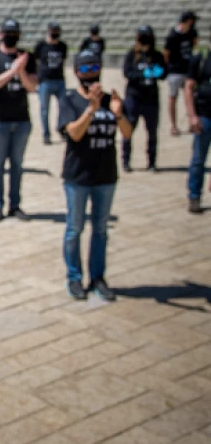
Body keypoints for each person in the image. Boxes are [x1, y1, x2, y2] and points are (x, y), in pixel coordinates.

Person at [57, 50, 131, 301]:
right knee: (74, 229)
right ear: (77, 72)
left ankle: (98, 276)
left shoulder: (112, 99)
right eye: (85, 69)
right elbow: (74, 134)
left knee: (100, 230)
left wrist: (118, 113)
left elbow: (128, 132)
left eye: (94, 68)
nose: (91, 74)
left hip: (106, 175)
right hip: (78, 177)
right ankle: (74, 278)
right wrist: (91, 109)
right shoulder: (69, 100)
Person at [0, 18, 38, 223]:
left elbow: (32, 86)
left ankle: (15, 205)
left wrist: (21, 70)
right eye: (7, 32)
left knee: (17, 165)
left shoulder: (26, 57)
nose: (10, 36)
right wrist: (12, 71)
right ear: (0, 34)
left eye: (14, 33)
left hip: (21, 120)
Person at [122, 25, 166, 172]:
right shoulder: (132, 55)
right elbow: (127, 73)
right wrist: (145, 74)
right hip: (134, 98)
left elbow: (163, 73)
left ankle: (152, 162)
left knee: (152, 132)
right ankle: (126, 161)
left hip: (151, 99)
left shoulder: (156, 55)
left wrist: (155, 71)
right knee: (128, 129)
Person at [184, 30, 211, 214]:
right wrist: (192, 116)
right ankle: (194, 196)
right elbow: (188, 87)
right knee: (198, 159)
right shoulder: (200, 59)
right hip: (204, 116)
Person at [164, 11, 199, 136]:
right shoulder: (173, 35)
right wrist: (170, 67)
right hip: (175, 71)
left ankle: (192, 122)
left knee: (191, 96)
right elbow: (166, 54)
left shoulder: (192, 33)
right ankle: (173, 125)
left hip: (188, 70)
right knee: (173, 97)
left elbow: (195, 44)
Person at [34, 21, 69, 145]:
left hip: (59, 80)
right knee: (44, 109)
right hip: (45, 81)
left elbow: (63, 61)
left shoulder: (62, 46)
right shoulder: (41, 45)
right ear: (48, 31)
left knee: (64, 107)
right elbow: (36, 61)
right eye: (53, 31)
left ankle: (61, 129)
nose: (54, 33)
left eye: (56, 31)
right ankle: (46, 134)